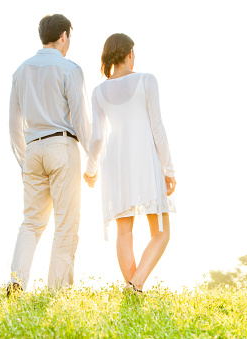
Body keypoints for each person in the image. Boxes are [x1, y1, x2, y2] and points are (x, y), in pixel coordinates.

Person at [84, 33, 176, 293]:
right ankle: (135, 285)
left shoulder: (98, 91)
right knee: (161, 232)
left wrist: (90, 170)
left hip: (115, 162)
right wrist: (168, 168)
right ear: (128, 54)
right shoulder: (147, 80)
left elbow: (98, 136)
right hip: (145, 159)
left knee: (124, 232)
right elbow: (157, 126)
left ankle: (133, 289)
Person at [8, 14, 91, 293]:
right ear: (64, 36)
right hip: (62, 147)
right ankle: (57, 292)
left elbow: (13, 125)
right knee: (66, 224)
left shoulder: (21, 71)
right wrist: (92, 157)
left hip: (32, 150)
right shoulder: (70, 69)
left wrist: (23, 160)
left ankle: (17, 281)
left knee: (31, 223)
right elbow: (81, 120)